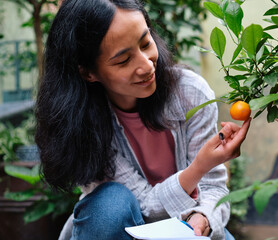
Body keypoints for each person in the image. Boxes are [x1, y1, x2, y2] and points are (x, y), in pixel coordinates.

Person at [35, 0, 251, 239]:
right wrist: (199, 166)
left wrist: (201, 218)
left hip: (183, 230)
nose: (146, 65)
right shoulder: (83, 126)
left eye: (146, 43)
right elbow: (146, 207)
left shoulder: (191, 94)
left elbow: (212, 188)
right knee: (109, 204)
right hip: (119, 231)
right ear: (88, 72)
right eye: (123, 60)